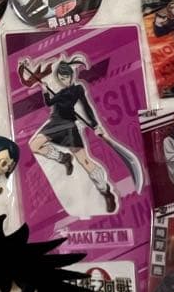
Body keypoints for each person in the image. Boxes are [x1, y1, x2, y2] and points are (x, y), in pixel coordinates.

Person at [24, 57, 117, 212]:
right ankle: (63, 158)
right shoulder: (60, 93)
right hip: (55, 123)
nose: (64, 81)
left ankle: (106, 191)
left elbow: (87, 107)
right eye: (61, 78)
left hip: (68, 125)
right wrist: (45, 91)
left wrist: (95, 126)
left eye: (66, 77)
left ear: (71, 76)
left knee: (84, 160)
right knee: (34, 145)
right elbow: (49, 103)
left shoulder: (77, 89)